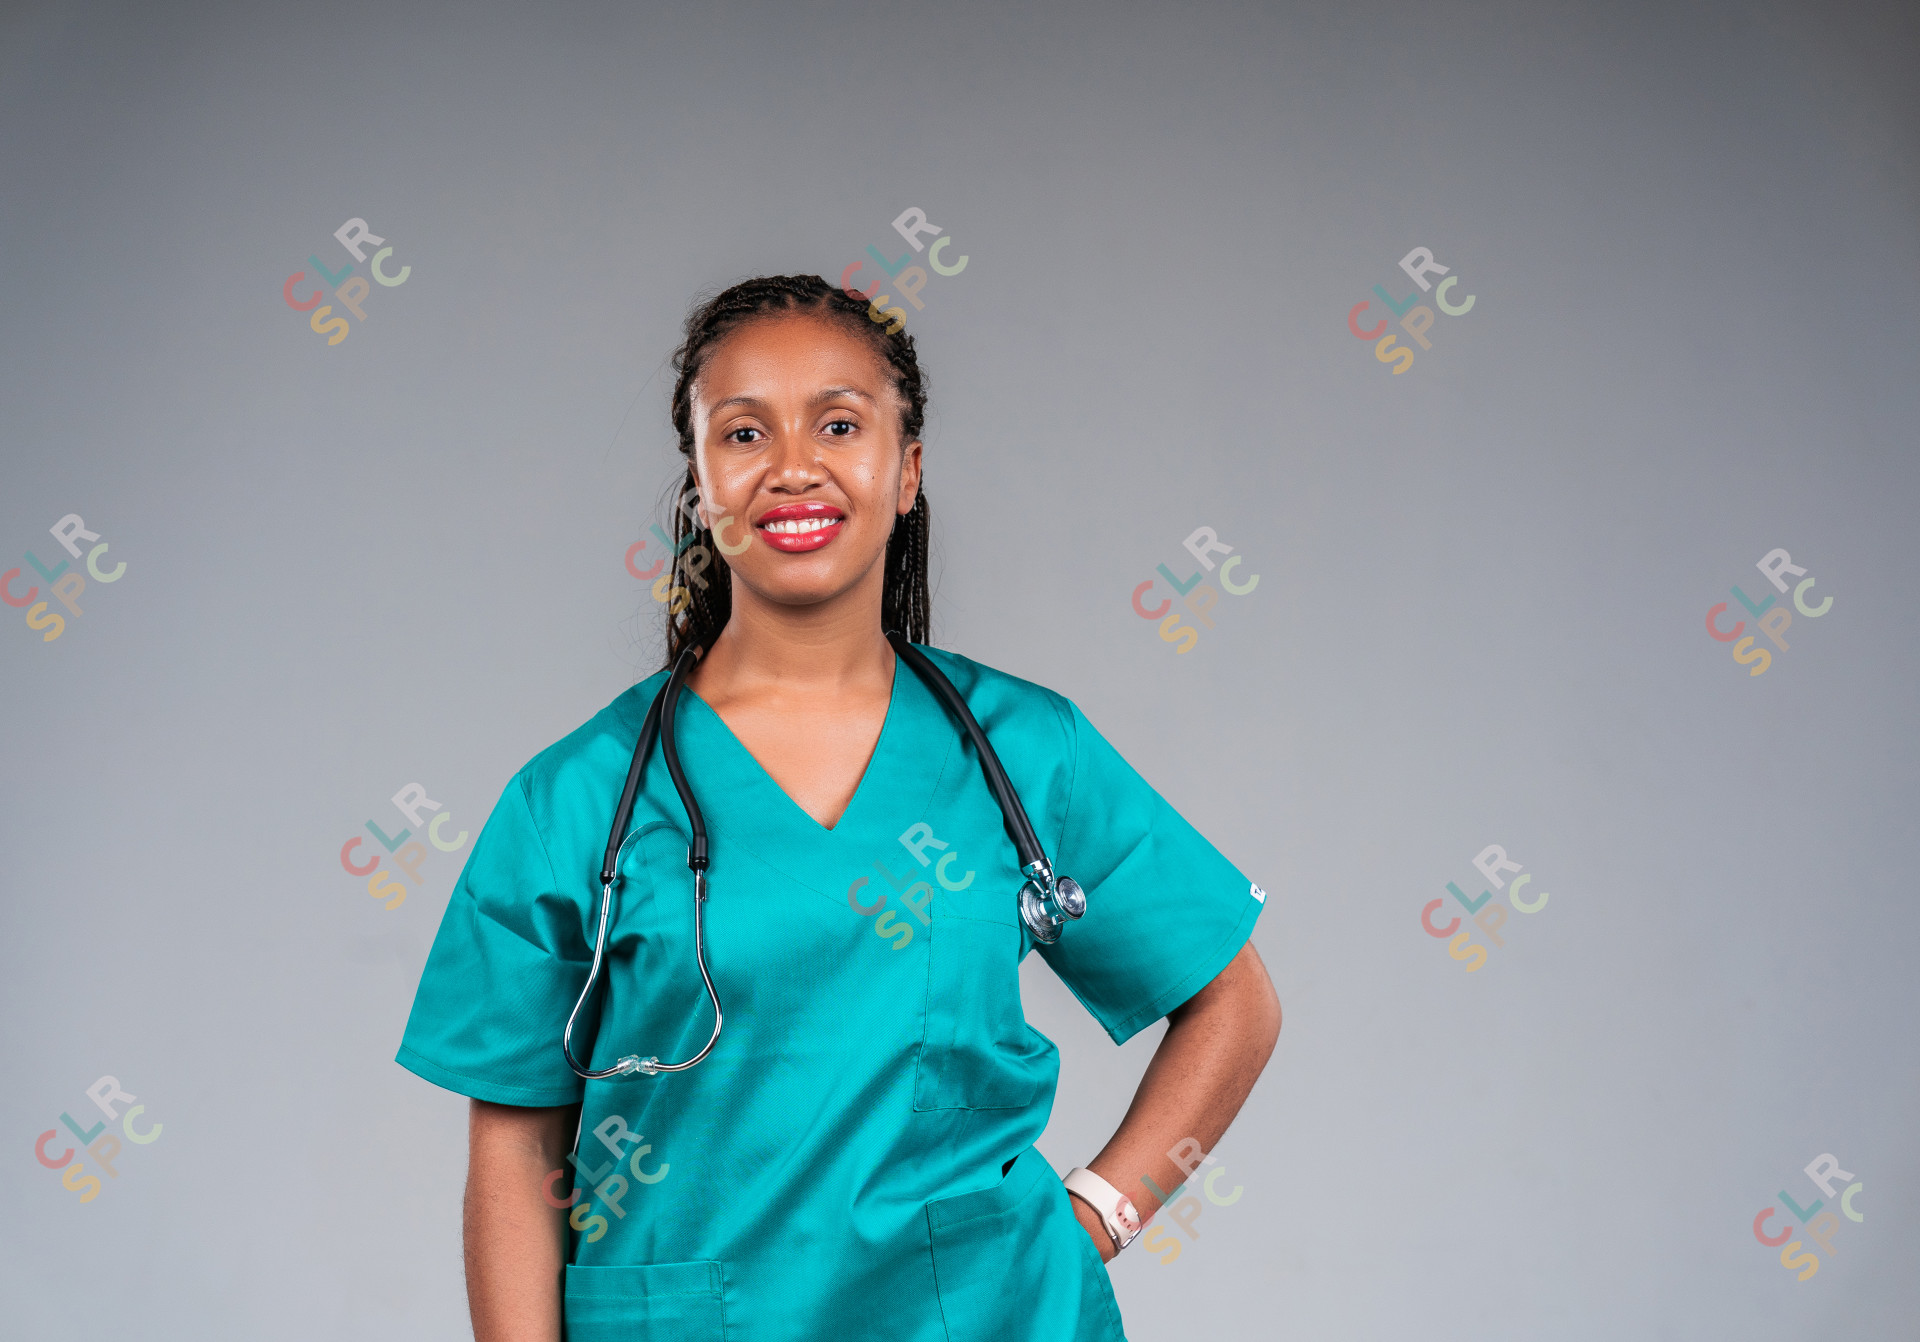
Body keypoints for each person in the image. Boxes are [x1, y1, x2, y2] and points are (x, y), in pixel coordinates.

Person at [396, 274, 1282, 1341]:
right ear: (700, 480)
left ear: (906, 472)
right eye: (742, 433)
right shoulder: (574, 801)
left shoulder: (1021, 751)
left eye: (841, 423)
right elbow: (515, 1149)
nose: (793, 467)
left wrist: (1098, 1210)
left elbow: (1235, 1003)